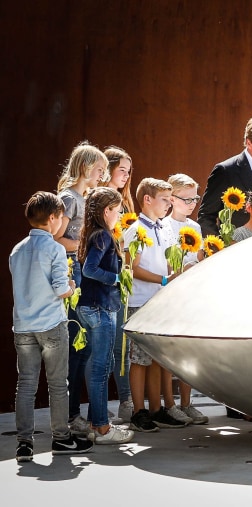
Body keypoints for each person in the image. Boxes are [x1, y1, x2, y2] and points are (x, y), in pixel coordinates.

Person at [10, 191, 94, 461]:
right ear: (53, 218)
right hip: (50, 324)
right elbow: (60, 289)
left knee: (26, 385)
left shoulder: (17, 250)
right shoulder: (55, 248)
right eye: (60, 218)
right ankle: (61, 438)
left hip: (23, 326)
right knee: (58, 384)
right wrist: (71, 286)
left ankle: (24, 444)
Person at [123, 177, 187, 432]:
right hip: (140, 302)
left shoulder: (164, 227)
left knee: (157, 359)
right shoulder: (136, 229)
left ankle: (156, 409)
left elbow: (169, 260)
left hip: (159, 302)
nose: (168, 205)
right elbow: (132, 267)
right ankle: (138, 411)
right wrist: (164, 278)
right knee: (139, 360)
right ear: (147, 199)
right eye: (164, 200)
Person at [54, 141, 107, 436]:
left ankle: (77, 412)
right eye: (99, 169)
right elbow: (56, 238)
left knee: (84, 346)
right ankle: (71, 414)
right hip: (73, 274)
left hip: (85, 275)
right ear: (86, 167)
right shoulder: (69, 198)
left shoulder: (85, 197)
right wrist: (88, 246)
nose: (102, 175)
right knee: (77, 344)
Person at [76, 187, 135, 444]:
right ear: (106, 211)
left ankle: (95, 423)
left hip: (93, 306)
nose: (120, 215)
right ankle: (101, 428)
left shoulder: (95, 233)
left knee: (101, 366)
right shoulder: (102, 236)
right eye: (118, 210)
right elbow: (90, 269)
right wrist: (116, 279)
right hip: (100, 308)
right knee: (101, 368)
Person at [162, 174, 209, 425]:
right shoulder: (164, 225)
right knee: (171, 353)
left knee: (189, 352)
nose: (192, 203)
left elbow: (198, 257)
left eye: (195, 199)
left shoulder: (196, 227)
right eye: (186, 199)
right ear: (171, 199)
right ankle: (169, 405)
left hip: (190, 295)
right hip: (170, 293)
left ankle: (187, 403)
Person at [198, 114, 252, 236]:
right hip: (237, 247)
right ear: (249, 143)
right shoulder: (226, 170)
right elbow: (206, 216)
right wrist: (218, 248)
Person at [102, 146, 135, 424]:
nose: (125, 175)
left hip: (122, 277)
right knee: (98, 347)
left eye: (128, 171)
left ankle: (127, 401)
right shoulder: (97, 201)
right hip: (101, 279)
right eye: (120, 169)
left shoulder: (126, 204)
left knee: (120, 346)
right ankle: (97, 409)